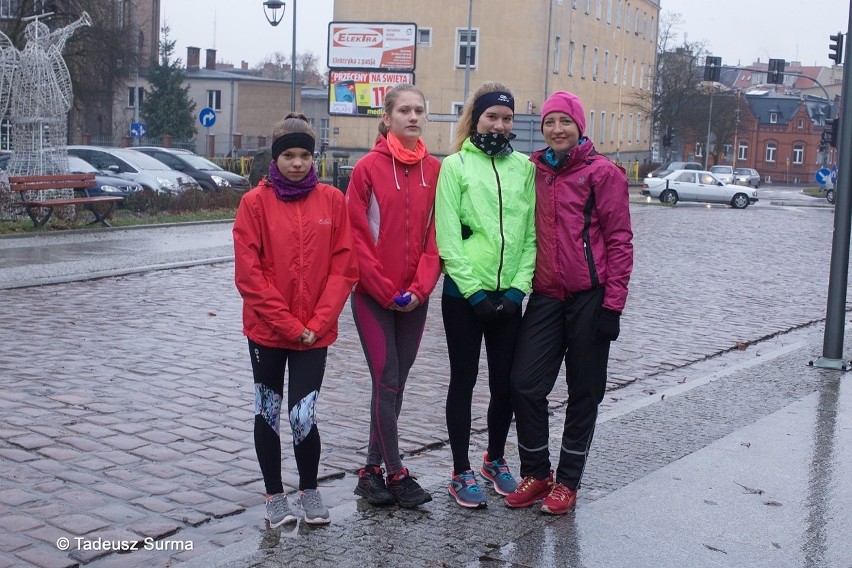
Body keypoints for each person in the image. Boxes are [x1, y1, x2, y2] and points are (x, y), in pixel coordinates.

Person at [506, 91, 633, 515]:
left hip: (589, 299)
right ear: (541, 128)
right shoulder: (534, 170)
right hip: (545, 296)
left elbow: (619, 241)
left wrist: (613, 306)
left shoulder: (604, 173)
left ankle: (568, 481)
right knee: (525, 384)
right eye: (549, 122)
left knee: (584, 391)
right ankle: (538, 472)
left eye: (565, 121)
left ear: (579, 126)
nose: (557, 129)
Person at [233, 113, 359, 527]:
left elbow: (344, 267)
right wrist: (290, 325)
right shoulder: (254, 203)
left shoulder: (332, 201)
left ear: (314, 158)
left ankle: (309, 489)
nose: (298, 162)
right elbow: (249, 276)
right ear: (275, 158)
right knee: (267, 411)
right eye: (289, 155)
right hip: (268, 332)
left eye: (305, 154)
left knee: (303, 414)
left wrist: (318, 323)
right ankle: (274, 494)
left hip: (314, 334)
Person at [435, 82, 537, 509]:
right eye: (492, 116)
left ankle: (495, 459)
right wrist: (473, 292)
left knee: (505, 385)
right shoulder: (455, 166)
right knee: (464, 380)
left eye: (507, 118)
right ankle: (461, 470)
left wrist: (518, 289)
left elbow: (530, 236)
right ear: (475, 118)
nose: (499, 124)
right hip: (465, 297)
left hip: (509, 298)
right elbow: (447, 238)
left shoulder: (524, 169)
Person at [346, 84, 441, 508]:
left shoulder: (436, 171)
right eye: (404, 109)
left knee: (395, 384)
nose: (413, 116)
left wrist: (419, 290)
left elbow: (437, 239)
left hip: (414, 300)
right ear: (387, 118)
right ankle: (396, 472)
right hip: (372, 296)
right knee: (386, 380)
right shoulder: (366, 168)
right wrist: (385, 291)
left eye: (419, 110)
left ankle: (369, 472)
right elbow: (355, 237)